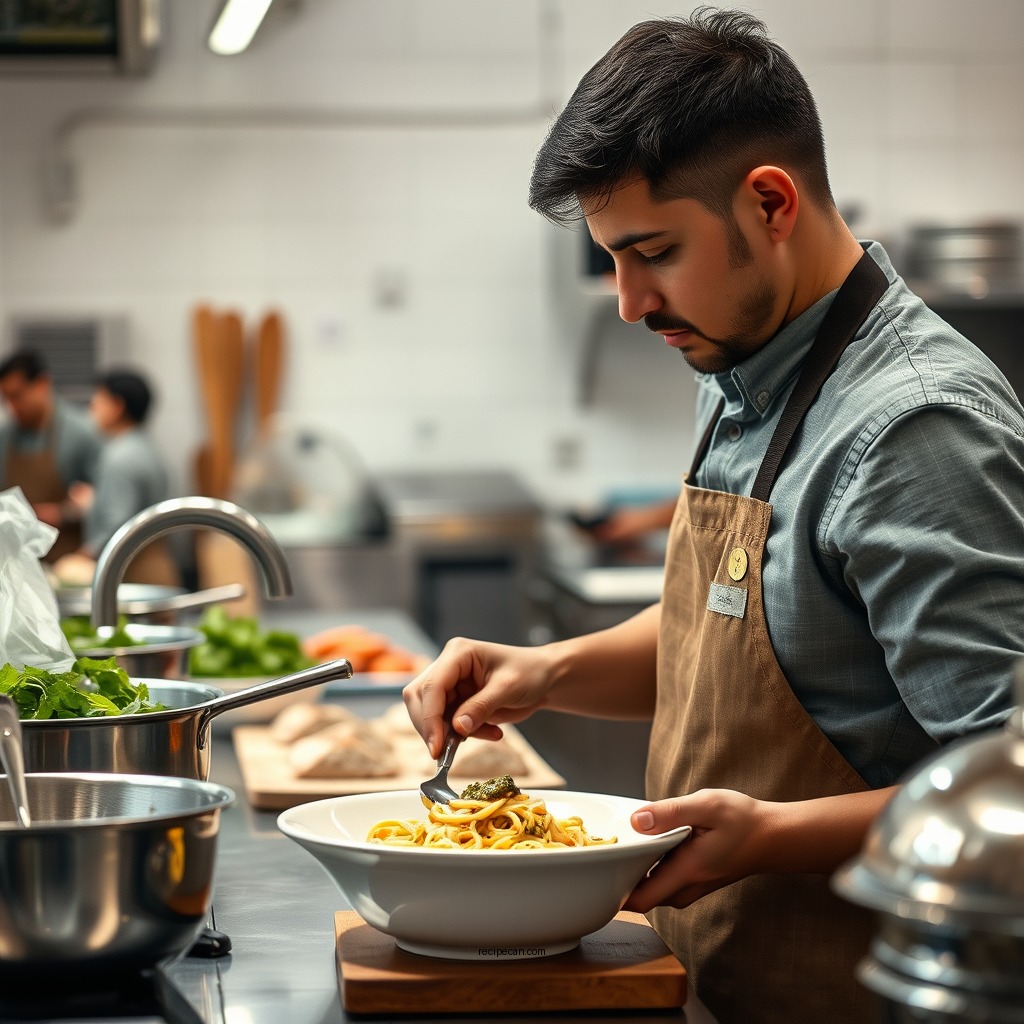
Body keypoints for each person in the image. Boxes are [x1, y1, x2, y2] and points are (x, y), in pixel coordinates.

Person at [403, 10, 1024, 1023]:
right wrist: (544, 671)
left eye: (651, 252)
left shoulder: (915, 430)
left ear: (769, 202)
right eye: (612, 258)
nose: (628, 301)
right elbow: (744, 628)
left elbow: (1011, 781)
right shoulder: (745, 363)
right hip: (714, 980)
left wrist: (769, 835)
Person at [52, 369, 179, 586]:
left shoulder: (118, 457)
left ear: (117, 407)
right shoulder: (144, 446)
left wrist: (82, 556)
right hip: (158, 563)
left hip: (134, 571)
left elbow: (117, 525)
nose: (92, 408)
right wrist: (94, 503)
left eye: (99, 401)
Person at [0, 349, 101, 563]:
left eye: (17, 396)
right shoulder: (5, 436)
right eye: (6, 398)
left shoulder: (81, 432)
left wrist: (63, 513)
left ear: (42, 384)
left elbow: (101, 499)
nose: (12, 407)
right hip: (17, 558)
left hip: (66, 557)